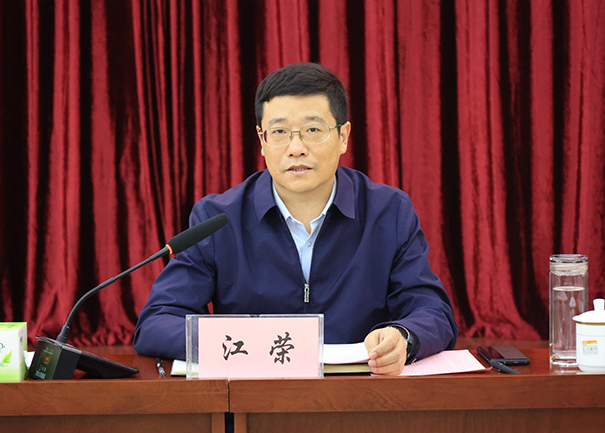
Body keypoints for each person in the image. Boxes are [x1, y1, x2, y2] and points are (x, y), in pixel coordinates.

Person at [133, 62, 458, 375]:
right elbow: (157, 323)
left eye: (313, 130)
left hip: (360, 397)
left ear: (343, 136)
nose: (296, 147)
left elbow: (433, 311)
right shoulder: (218, 219)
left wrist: (403, 337)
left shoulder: (388, 212)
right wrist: (252, 345)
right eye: (279, 132)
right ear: (262, 141)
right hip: (254, 399)